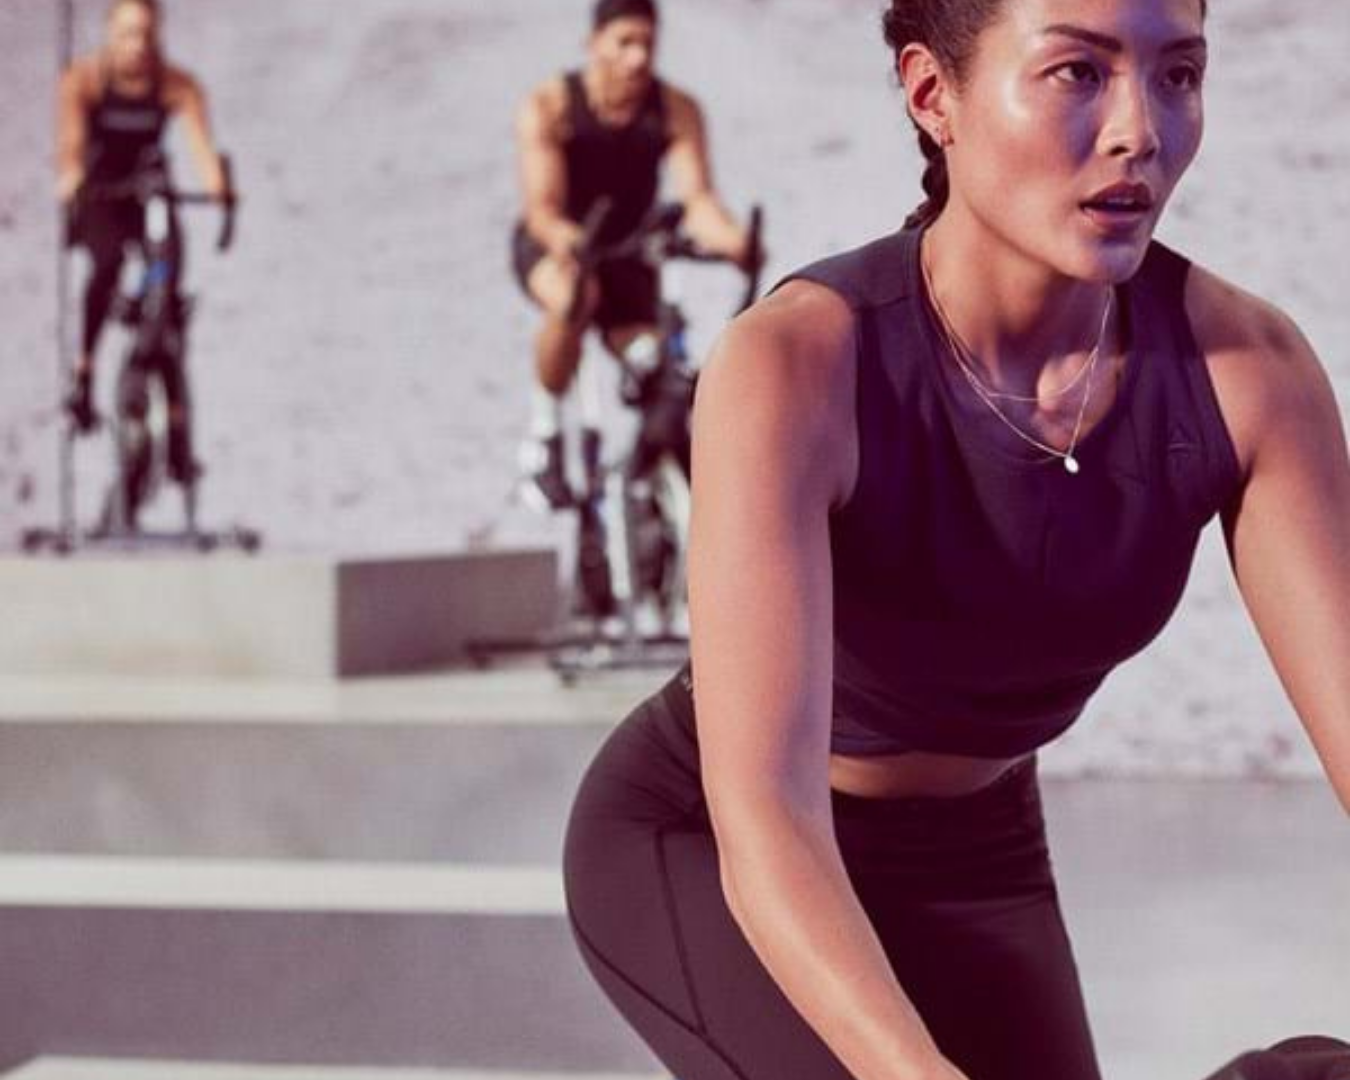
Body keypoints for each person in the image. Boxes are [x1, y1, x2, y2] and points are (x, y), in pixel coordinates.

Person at [563, 0, 1350, 1078]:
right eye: (1079, 72)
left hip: (982, 852)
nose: (1142, 131)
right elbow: (769, 821)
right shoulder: (796, 366)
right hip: (716, 840)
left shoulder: (1250, 373)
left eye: (1178, 75)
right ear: (934, 94)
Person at [511, 0, 758, 510]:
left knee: (660, 367)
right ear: (595, 43)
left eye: (647, 42)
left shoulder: (674, 109)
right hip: (559, 246)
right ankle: (543, 439)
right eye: (624, 42)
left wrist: (735, 242)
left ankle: (651, 499)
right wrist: (572, 243)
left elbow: (699, 202)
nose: (638, 56)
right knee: (577, 300)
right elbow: (542, 209)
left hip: (628, 254)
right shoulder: (551, 105)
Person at [56, 0, 226, 481]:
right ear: (112, 34)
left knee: (167, 291)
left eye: (145, 33)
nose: (137, 44)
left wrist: (217, 187)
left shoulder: (175, 83)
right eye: (128, 33)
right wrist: (70, 176)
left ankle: (177, 430)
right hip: (103, 195)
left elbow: (200, 143)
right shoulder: (85, 80)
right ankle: (84, 376)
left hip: (150, 195)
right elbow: (69, 143)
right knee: (106, 265)